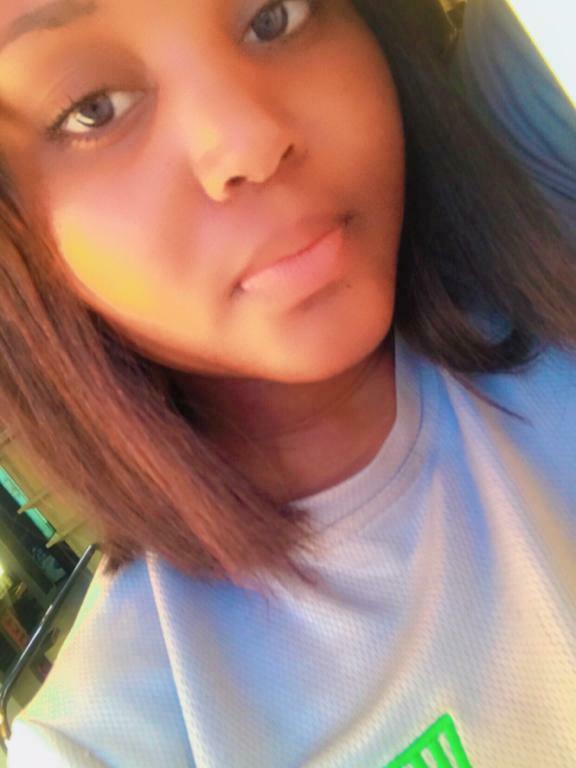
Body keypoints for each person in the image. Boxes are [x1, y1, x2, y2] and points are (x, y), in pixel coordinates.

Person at [0, 0, 574, 765]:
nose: (252, 140)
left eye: (273, 15)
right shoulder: (112, 741)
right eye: (93, 108)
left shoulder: (537, 170)